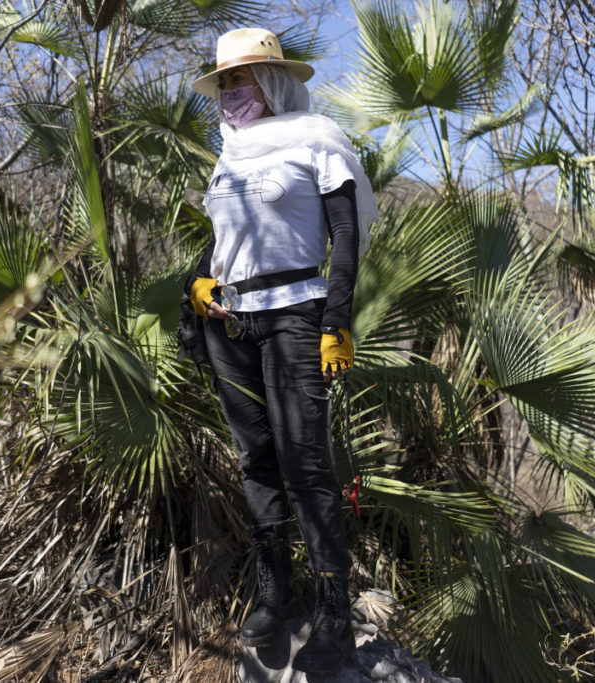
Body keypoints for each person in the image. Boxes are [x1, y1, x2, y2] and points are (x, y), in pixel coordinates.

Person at [186, 27, 377, 675]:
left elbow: (346, 233)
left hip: (297, 313)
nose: (232, 93)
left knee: (305, 461)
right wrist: (198, 278)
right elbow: (224, 237)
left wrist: (338, 321)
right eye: (225, 82)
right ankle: (276, 590)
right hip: (231, 321)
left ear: (272, 82)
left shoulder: (317, 140)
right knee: (255, 458)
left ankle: (333, 611)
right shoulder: (227, 155)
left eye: (241, 79)